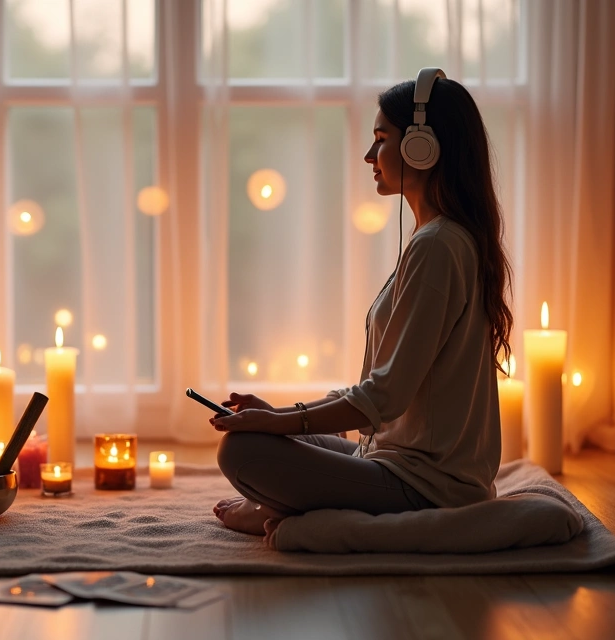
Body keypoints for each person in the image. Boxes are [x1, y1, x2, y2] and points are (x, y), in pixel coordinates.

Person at [211, 68, 514, 537]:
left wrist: (279, 424)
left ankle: (297, 511)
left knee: (241, 452)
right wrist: (278, 417)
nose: (369, 155)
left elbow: (384, 396)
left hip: (427, 486)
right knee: (265, 434)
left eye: (381, 139)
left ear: (421, 147)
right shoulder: (438, 238)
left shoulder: (438, 246)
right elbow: (379, 394)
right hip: (390, 458)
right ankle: (298, 501)